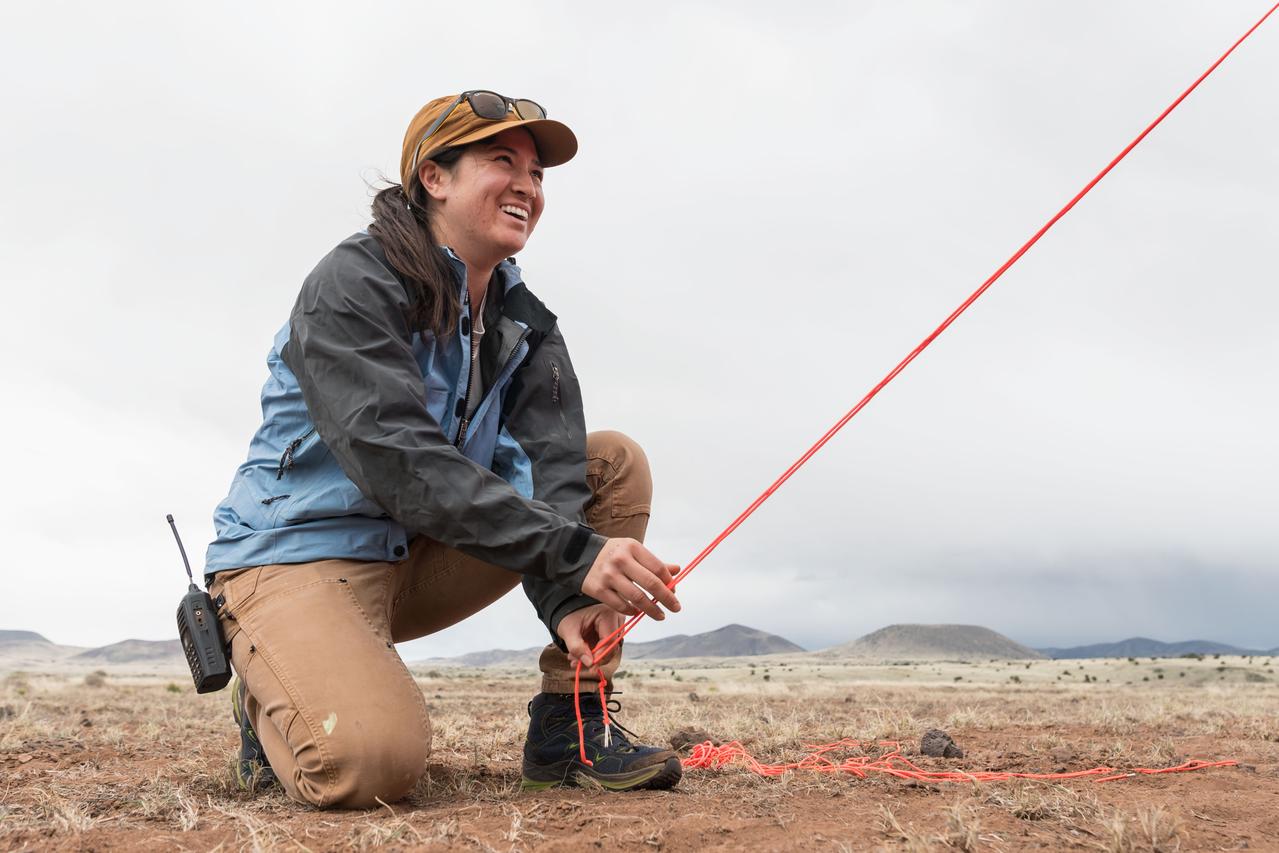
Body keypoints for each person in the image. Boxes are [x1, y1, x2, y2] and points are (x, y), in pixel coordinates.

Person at [203, 91, 684, 809]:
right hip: (295, 557)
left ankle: (570, 728)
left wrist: (564, 592)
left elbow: (552, 473)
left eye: (537, 172)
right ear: (434, 177)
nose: (528, 184)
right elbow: (401, 461)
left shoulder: (525, 322)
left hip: (417, 557)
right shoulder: (351, 284)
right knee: (368, 766)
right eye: (502, 161)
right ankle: (269, 692)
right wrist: (579, 553)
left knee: (607, 461)